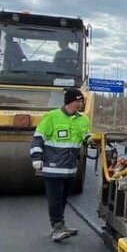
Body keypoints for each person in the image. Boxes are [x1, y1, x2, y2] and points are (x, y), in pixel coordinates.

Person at [30, 87, 91, 242]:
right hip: (52, 167)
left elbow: (85, 138)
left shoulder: (83, 119)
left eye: (81, 101)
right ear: (70, 101)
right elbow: (38, 138)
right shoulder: (51, 117)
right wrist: (36, 157)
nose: (81, 104)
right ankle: (57, 227)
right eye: (78, 101)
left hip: (70, 168)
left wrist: (93, 140)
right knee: (55, 198)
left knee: (63, 198)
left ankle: (60, 224)